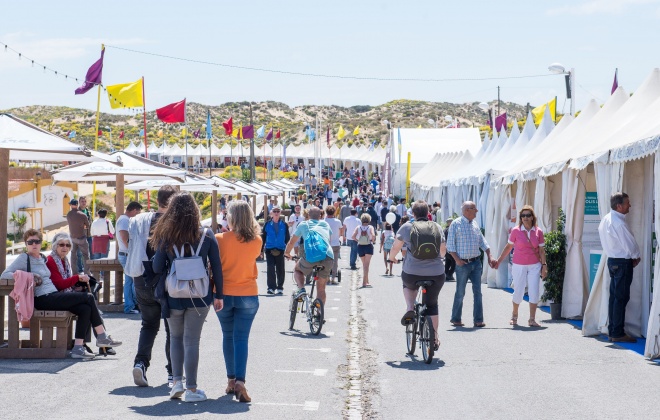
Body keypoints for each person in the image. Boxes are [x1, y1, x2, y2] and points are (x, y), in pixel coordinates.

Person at [1, 229, 121, 359]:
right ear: (26, 244)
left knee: (85, 308)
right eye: (30, 242)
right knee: (88, 297)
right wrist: (29, 276)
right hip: (43, 298)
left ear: (41, 243)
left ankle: (78, 348)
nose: (34, 244)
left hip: (53, 295)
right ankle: (102, 336)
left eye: (37, 241)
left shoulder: (43, 258)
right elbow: (5, 275)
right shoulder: (24, 258)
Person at [151, 193, 223, 403]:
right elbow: (217, 268)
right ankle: (192, 389)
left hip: (173, 294)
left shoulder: (166, 235)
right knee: (192, 341)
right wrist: (219, 295)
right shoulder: (207, 235)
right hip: (200, 295)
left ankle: (176, 383)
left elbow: (156, 267)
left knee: (175, 338)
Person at [128, 185, 177, 388]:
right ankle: (172, 374)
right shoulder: (174, 223)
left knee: (148, 325)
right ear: (174, 201)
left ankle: (141, 363)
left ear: (157, 200)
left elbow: (125, 241)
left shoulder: (140, 220)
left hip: (141, 277)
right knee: (172, 329)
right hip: (166, 280)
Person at [215, 200, 262, 403]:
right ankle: (241, 382)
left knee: (227, 335)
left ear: (231, 217)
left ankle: (231, 380)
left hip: (223, 293)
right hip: (248, 292)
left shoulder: (219, 239)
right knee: (241, 338)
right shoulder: (257, 241)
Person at [388, 200, 446, 348]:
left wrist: (392, 258)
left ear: (413, 214)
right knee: (432, 305)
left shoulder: (407, 227)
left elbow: (396, 247)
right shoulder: (437, 227)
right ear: (428, 213)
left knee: (408, 284)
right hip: (436, 273)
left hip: (412, 272)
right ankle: (434, 339)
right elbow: (443, 251)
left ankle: (409, 308)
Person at [598, 192, 641, 343]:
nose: (630, 205)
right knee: (620, 298)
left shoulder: (606, 219)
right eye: (627, 203)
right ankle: (617, 332)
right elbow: (629, 244)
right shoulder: (618, 222)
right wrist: (635, 256)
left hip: (613, 260)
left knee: (615, 298)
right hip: (622, 262)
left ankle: (613, 331)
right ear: (619, 206)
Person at [446, 201, 497, 328]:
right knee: (460, 292)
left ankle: (478, 320)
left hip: (476, 263)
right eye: (474, 208)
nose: (477, 211)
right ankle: (456, 318)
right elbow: (450, 246)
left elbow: (482, 242)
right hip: (463, 264)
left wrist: (489, 255)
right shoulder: (456, 224)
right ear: (467, 210)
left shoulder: (474, 224)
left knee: (478, 292)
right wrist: (457, 260)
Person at [495, 205, 547, 327]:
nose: (525, 218)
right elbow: (509, 247)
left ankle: (532, 319)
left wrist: (544, 266)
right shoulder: (516, 231)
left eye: (528, 215)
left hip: (534, 265)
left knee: (534, 291)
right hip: (519, 265)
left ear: (532, 217)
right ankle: (514, 315)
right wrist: (499, 260)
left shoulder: (538, 231)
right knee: (518, 290)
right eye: (523, 216)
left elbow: (541, 250)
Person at [284, 206, 334, 305]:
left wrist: (287, 253)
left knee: (298, 269)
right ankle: (319, 314)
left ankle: (302, 289)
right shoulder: (325, 224)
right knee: (321, 289)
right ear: (320, 215)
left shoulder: (304, 225)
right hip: (328, 256)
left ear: (308, 215)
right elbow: (329, 240)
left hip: (311, 255)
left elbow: (292, 241)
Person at [116, 201, 143, 314]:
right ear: (134, 210)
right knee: (133, 281)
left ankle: (131, 305)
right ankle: (131, 305)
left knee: (130, 281)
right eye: (138, 212)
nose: (138, 215)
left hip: (125, 254)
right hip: (127, 254)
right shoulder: (124, 220)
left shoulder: (123, 219)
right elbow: (124, 237)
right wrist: (133, 252)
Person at [261, 206, 290, 295]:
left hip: (280, 249)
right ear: (271, 213)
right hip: (269, 249)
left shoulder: (284, 224)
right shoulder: (267, 224)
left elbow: (287, 237)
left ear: (280, 212)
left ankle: (280, 287)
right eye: (274, 211)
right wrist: (261, 250)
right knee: (270, 268)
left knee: (280, 269)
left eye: (278, 211)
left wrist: (286, 248)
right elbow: (263, 238)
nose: (276, 213)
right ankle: (271, 287)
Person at [352, 213, 376, 288]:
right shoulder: (370, 227)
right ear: (369, 220)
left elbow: (353, 236)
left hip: (360, 246)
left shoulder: (358, 227)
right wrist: (373, 240)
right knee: (366, 265)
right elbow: (373, 235)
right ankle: (364, 282)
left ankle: (367, 280)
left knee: (364, 265)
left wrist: (358, 240)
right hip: (368, 246)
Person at [66, 198, 90, 275]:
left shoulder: (68, 214)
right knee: (86, 255)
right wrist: (83, 226)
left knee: (73, 255)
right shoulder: (83, 215)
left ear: (71, 205)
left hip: (73, 238)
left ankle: (74, 273)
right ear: (77, 204)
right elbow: (88, 225)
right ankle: (87, 272)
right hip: (82, 237)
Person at [324, 206, 344, 284]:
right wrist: (338, 236)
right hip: (335, 243)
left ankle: (327, 277)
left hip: (326, 244)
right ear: (334, 212)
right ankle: (333, 278)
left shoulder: (324, 221)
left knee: (326, 261)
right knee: (335, 261)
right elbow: (341, 231)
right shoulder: (338, 221)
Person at [78, 196, 93, 268]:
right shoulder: (76, 212)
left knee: (91, 252)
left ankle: (91, 267)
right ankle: (80, 269)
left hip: (89, 235)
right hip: (80, 236)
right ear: (79, 202)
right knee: (80, 253)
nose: (83, 203)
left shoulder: (88, 211)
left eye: (85, 201)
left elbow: (91, 222)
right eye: (82, 201)